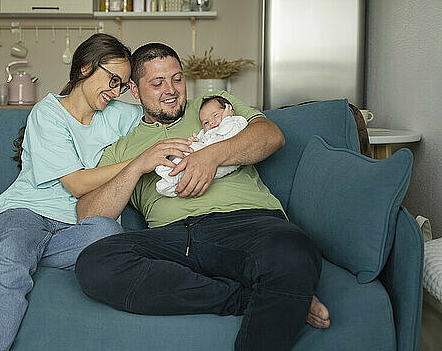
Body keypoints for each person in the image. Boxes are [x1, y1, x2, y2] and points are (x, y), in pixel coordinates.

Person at [74, 43, 330, 351]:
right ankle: (264, 296)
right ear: (134, 89)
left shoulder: (211, 107)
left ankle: (282, 290)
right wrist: (138, 165)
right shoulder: (122, 147)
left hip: (248, 225)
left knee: (294, 250)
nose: (171, 90)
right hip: (174, 240)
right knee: (95, 262)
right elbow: (87, 213)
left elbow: (271, 136)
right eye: (157, 83)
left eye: (177, 79)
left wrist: (210, 156)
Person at [0, 33, 152, 351]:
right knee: (13, 258)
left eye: (122, 85)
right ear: (85, 68)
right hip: (27, 212)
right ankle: (6, 263)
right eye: (112, 81)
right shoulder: (48, 112)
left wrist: (219, 116)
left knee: (109, 232)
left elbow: (166, 120)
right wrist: (136, 164)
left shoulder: (121, 116)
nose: (116, 92)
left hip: (78, 226)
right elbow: (75, 183)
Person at [155, 95, 249, 197]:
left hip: (222, 162)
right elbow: (203, 142)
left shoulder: (236, 122)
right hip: (203, 158)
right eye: (206, 122)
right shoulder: (208, 132)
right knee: (188, 151)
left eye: (215, 115)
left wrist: (227, 118)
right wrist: (194, 141)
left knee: (190, 164)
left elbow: (229, 134)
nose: (211, 122)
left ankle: (171, 176)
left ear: (229, 110)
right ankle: (169, 174)